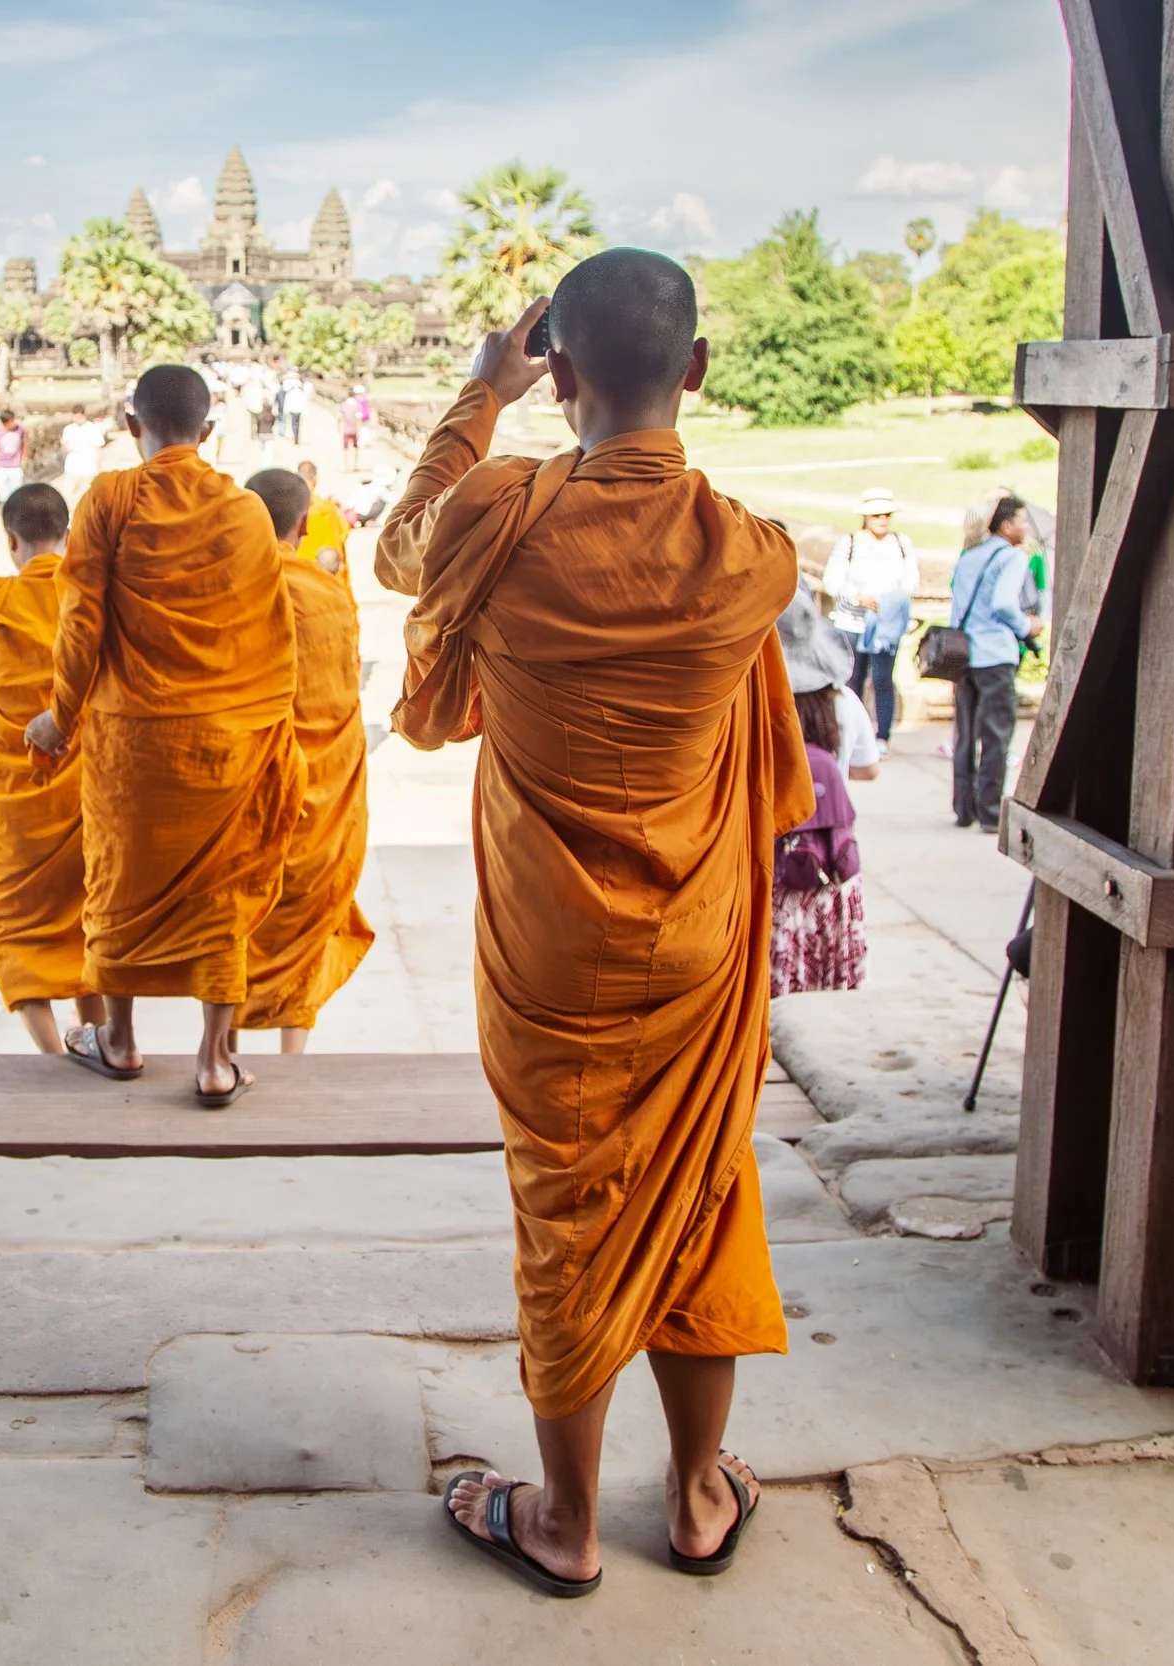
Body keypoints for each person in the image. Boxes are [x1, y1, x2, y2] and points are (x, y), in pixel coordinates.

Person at [376, 253, 808, 1594]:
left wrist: (475, 399)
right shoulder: (755, 557)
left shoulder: (497, 513)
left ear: (557, 375)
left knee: (570, 1199)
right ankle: (692, 1495)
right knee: (701, 1182)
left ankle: (563, 1518)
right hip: (697, 940)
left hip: (553, 943)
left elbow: (398, 550)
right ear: (697, 370)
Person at [25, 364, 300, 1107]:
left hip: (134, 740)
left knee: (118, 881)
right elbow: (268, 631)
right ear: (208, 432)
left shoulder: (109, 497)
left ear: (131, 423)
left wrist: (61, 715)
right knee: (221, 887)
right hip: (225, 739)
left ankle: (118, 1040)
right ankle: (214, 1061)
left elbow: (81, 620)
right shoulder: (245, 511)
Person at [0, 483, 106, 1052]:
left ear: (11, 541)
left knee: (16, 927)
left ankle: (54, 1052)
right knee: (90, 915)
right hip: (89, 794)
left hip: (9, 800)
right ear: (70, 533)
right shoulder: (92, 596)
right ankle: (99, 1033)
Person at [237, 467, 374, 1051]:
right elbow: (342, 700)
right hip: (320, 783)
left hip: (246, 785)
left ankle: (221, 1050)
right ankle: (294, 1051)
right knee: (308, 907)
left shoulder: (225, 592)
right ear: (302, 524)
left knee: (238, 912)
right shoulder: (328, 600)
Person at [771, 589, 873, 996]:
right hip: (831, 865)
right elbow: (869, 767)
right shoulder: (845, 702)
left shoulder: (759, 706)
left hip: (774, 868)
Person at [947, 494, 1041, 833]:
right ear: (1006, 525)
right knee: (997, 736)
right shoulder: (1013, 558)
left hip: (965, 653)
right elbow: (1004, 602)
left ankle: (963, 807)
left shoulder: (970, 557)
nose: (1027, 528)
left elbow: (957, 605)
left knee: (966, 733)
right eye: (1023, 521)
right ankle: (989, 812)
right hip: (995, 654)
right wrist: (1026, 626)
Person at [816, 488, 917, 743]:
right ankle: (852, 734)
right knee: (853, 680)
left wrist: (890, 600)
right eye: (876, 515)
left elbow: (910, 580)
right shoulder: (849, 543)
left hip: (884, 623)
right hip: (853, 620)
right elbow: (833, 581)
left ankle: (882, 735)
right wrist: (857, 597)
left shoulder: (901, 544)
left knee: (883, 679)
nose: (882, 520)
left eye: (886, 515)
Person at [293, 459, 351, 576]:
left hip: (298, 571)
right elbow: (342, 534)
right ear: (315, 480)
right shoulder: (328, 509)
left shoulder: (290, 509)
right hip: (325, 572)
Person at [60, 404, 105, 504]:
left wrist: (97, 468)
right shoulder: (68, 430)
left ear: (84, 415)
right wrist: (63, 445)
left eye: (79, 417)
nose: (77, 419)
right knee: (67, 497)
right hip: (72, 469)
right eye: (75, 417)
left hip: (88, 470)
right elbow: (64, 450)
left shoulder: (93, 429)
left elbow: (98, 449)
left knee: (87, 500)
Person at [0, 408, 27, 502]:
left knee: (17, 496)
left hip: (15, 466)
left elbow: (24, 444)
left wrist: (24, 459)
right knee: (3, 498)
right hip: (0, 467)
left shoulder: (20, 429)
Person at [337, 384, 367, 466]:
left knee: (346, 449)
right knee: (355, 448)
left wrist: (339, 428)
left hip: (346, 430)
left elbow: (340, 418)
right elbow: (358, 420)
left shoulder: (343, 405)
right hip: (354, 429)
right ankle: (355, 465)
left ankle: (346, 465)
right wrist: (358, 431)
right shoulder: (357, 406)